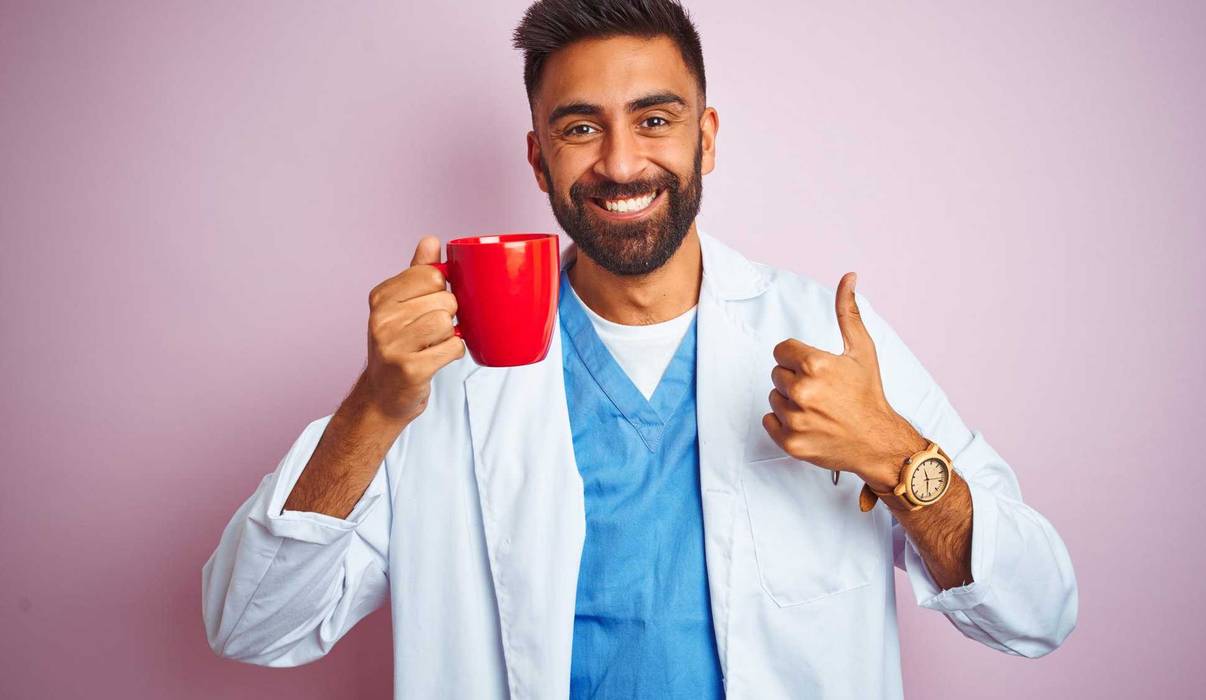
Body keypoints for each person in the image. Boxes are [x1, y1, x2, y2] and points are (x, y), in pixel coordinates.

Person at [202, 1, 1078, 697]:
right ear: (538, 159)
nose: (621, 163)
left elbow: (1037, 611)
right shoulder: (442, 376)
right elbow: (253, 627)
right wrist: (372, 408)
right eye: (580, 128)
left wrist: (892, 455)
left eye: (654, 119)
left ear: (705, 137)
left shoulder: (826, 339)